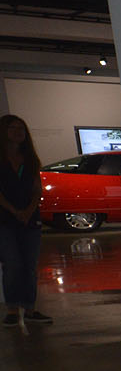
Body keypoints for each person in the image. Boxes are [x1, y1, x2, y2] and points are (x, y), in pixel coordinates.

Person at [0, 113, 50, 327]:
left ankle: (30, 308)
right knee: (12, 264)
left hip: (30, 220)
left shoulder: (30, 159)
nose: (18, 132)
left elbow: (36, 188)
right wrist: (14, 210)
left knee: (29, 266)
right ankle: (12, 308)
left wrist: (29, 210)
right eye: (13, 128)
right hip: (4, 220)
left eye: (21, 128)